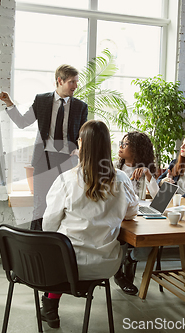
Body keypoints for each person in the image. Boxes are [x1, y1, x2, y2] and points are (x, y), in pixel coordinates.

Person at [42, 120, 138, 328]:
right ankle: (49, 304)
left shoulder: (66, 180)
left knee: (56, 251)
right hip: (105, 265)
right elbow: (132, 213)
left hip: (68, 265)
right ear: (107, 146)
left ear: (82, 144)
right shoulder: (121, 178)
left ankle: (50, 306)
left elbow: (48, 226)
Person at [0, 64, 88, 230]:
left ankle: (60, 248)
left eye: (76, 82)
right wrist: (9, 103)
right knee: (40, 207)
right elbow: (23, 122)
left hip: (68, 163)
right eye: (71, 82)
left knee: (66, 206)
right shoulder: (42, 100)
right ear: (59, 81)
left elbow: (83, 135)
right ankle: (35, 248)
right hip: (43, 160)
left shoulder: (80, 107)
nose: (75, 86)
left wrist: (79, 149)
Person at [113, 131, 158, 295]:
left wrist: (148, 174)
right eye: (121, 143)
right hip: (119, 215)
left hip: (137, 216)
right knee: (121, 240)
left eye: (126, 144)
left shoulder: (144, 169)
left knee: (150, 242)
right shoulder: (115, 167)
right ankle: (119, 274)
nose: (121, 147)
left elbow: (156, 196)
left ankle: (130, 260)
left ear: (137, 149)